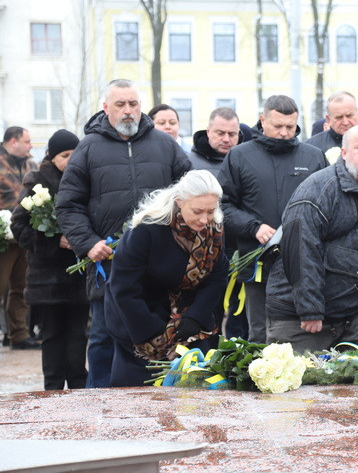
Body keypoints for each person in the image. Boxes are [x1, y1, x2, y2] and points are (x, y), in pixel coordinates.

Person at [57, 79, 191, 388]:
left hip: (159, 263)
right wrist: (88, 243)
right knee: (105, 335)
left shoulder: (165, 144)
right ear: (106, 108)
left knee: (161, 330)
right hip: (110, 263)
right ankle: (101, 403)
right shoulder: (88, 148)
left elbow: (191, 194)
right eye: (120, 104)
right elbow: (67, 205)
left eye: (133, 104)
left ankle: (158, 401)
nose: (128, 111)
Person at [265, 125, 358, 352]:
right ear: (344, 154)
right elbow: (301, 252)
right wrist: (310, 309)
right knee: (297, 382)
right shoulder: (317, 190)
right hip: (301, 314)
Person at [218, 95, 326, 343]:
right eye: (278, 126)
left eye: (290, 127)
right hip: (258, 262)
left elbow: (327, 206)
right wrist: (253, 227)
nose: (284, 133)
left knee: (306, 331)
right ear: (262, 120)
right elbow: (221, 205)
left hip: (304, 263)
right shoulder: (239, 156)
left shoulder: (313, 156)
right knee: (261, 333)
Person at [105, 170, 227, 386]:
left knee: (194, 394)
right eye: (198, 211)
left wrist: (195, 317)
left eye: (211, 210)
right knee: (139, 396)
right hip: (141, 321)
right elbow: (124, 287)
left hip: (190, 323)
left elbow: (216, 277)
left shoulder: (212, 229)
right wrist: (155, 332)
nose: (204, 219)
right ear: (179, 202)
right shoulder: (147, 229)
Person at [11, 130, 86, 388]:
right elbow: (19, 226)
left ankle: (79, 386)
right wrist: (55, 240)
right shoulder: (37, 183)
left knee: (78, 334)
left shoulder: (85, 179)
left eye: (75, 155)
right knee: (52, 334)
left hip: (79, 275)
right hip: (48, 278)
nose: (70, 160)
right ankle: (52, 389)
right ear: (51, 157)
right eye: (65, 155)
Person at [0, 126, 38, 349]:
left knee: (21, 287)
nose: (31, 145)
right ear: (13, 142)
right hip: (2, 239)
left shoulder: (32, 165)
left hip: (24, 235)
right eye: (27, 141)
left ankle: (20, 335)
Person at [187, 107, 241, 176]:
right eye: (220, 133)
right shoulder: (186, 163)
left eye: (232, 134)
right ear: (208, 132)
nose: (226, 139)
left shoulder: (247, 162)